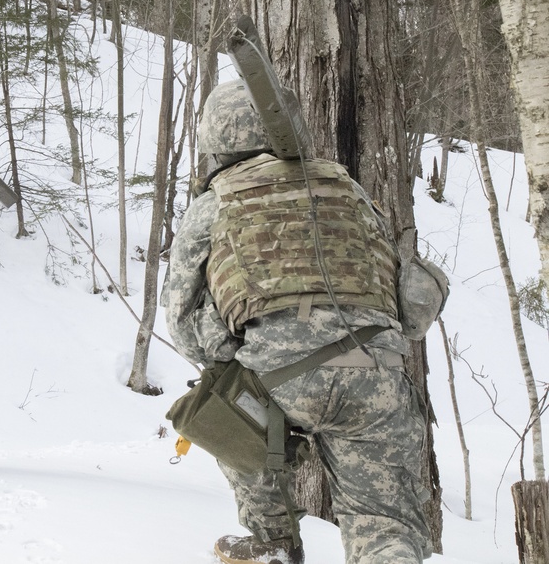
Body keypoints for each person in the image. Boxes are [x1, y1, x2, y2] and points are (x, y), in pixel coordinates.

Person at [161, 80, 431, 563]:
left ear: (215, 138)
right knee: (384, 526)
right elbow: (408, 301)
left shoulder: (215, 202)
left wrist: (230, 359)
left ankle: (273, 547)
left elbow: (180, 316)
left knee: (228, 407)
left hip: (277, 380)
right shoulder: (346, 189)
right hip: (378, 377)